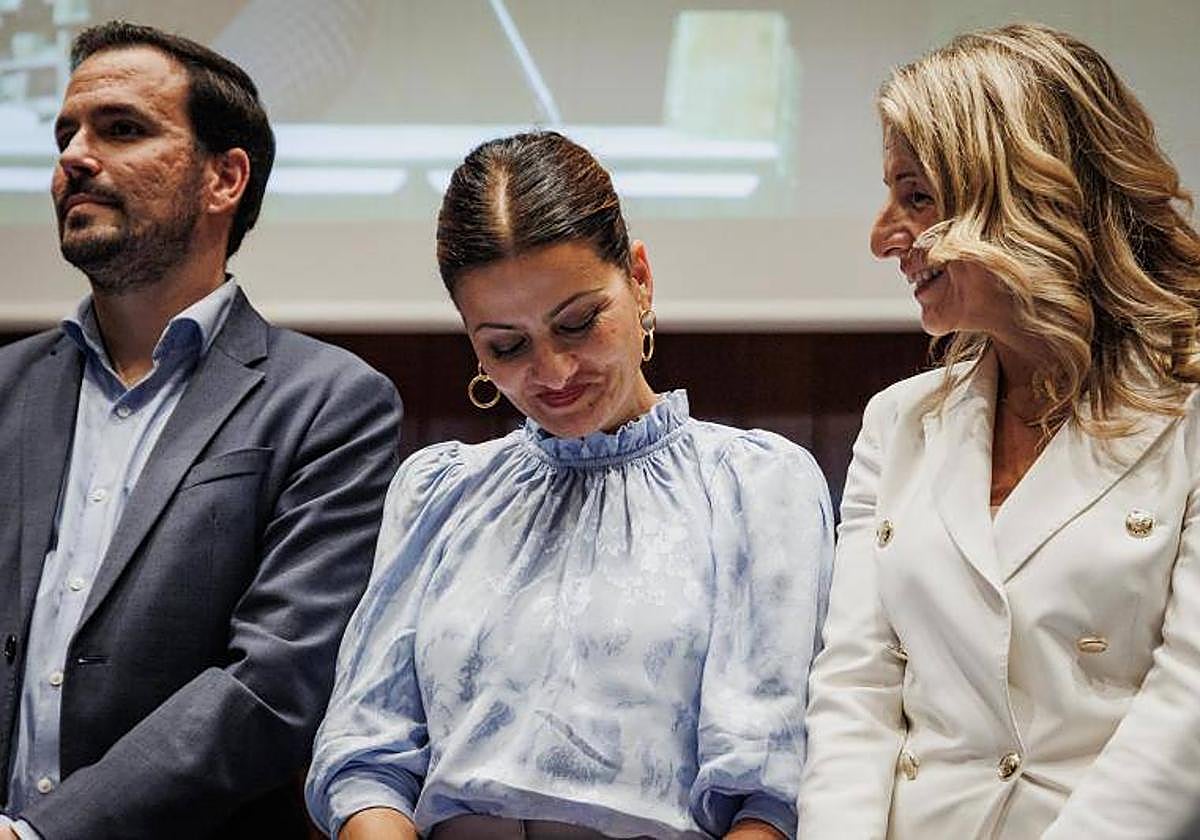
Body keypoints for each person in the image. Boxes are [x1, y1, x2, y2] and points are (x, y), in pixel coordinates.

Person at [305, 131, 833, 840]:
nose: (553, 372)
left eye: (578, 323)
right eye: (507, 345)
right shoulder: (439, 493)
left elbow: (771, 790)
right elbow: (365, 755)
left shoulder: (754, 485)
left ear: (640, 279)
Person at [796, 23, 1200, 839]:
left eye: (916, 197)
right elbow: (856, 691)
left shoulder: (1186, 412)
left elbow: (1186, 706)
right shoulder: (898, 422)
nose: (883, 237)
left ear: (1022, 199)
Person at [0, 21, 402, 840]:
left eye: (121, 129)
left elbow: (272, 685)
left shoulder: (328, 404)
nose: (75, 157)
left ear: (225, 178)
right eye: (66, 134)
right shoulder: (6, 388)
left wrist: (43, 834)